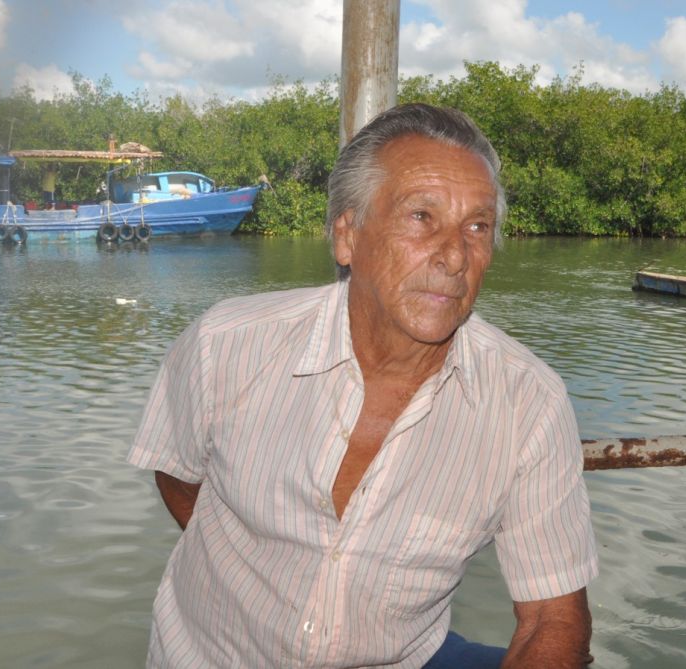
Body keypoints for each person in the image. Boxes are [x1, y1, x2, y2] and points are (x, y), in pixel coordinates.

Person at [128, 103, 598, 668]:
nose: (455, 256)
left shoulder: (530, 404)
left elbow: (553, 616)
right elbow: (177, 472)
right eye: (421, 217)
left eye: (478, 226)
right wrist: (269, 572)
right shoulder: (223, 345)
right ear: (347, 237)